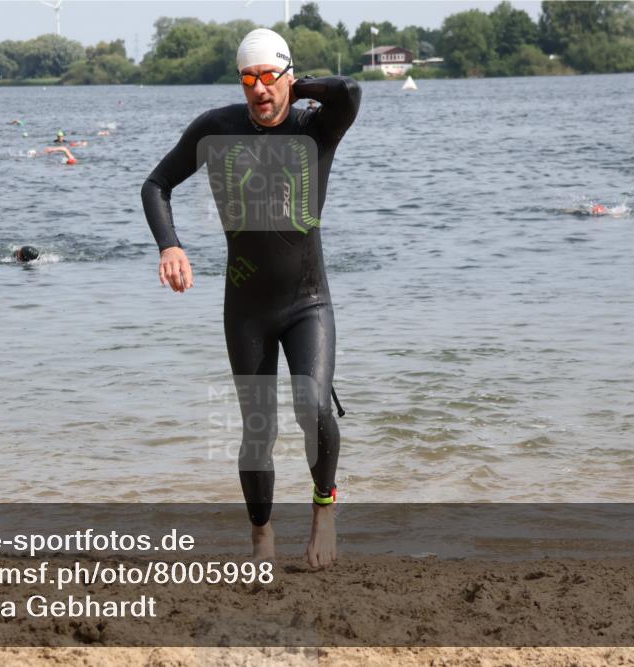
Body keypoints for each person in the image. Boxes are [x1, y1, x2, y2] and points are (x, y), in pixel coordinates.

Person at [141, 28, 361, 568]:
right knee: (257, 428)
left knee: (312, 404)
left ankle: (324, 512)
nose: (259, 91)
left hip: (309, 299)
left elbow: (351, 90)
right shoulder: (217, 129)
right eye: (248, 79)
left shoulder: (317, 127)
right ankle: (262, 536)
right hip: (247, 306)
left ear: (288, 77)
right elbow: (156, 185)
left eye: (268, 77)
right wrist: (170, 245)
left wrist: (296, 84)